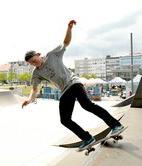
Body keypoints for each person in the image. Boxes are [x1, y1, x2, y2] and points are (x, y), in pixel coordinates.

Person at [22, 20, 124, 150]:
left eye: (34, 60)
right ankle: (87, 138)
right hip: (65, 91)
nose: (34, 63)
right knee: (65, 120)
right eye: (31, 63)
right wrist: (30, 99)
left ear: (38, 55)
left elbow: (65, 43)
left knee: (87, 105)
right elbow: (34, 89)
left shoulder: (52, 55)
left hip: (74, 83)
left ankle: (115, 125)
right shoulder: (36, 73)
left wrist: (69, 29)